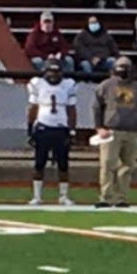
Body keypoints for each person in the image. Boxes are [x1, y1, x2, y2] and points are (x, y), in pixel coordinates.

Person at [94, 56, 137, 207]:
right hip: (111, 132)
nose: (123, 70)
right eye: (120, 66)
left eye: (126, 67)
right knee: (107, 165)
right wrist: (99, 127)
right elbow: (96, 107)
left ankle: (122, 198)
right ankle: (106, 197)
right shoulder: (105, 86)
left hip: (133, 133)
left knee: (128, 167)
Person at [27, 58, 76, 205]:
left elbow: (71, 110)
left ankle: (63, 196)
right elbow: (33, 108)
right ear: (45, 71)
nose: (54, 75)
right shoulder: (38, 84)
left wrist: (72, 130)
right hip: (43, 126)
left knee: (63, 164)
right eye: (51, 71)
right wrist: (30, 129)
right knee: (39, 163)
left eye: (56, 71)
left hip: (61, 127)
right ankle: (37, 196)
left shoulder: (68, 85)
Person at [72, 15, 117, 80]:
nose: (93, 24)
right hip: (88, 60)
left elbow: (113, 47)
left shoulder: (106, 35)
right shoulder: (82, 35)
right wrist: (91, 58)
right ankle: (90, 84)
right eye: (91, 23)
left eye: (95, 22)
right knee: (85, 64)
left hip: (103, 59)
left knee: (113, 61)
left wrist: (119, 57)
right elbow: (79, 48)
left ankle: (113, 83)